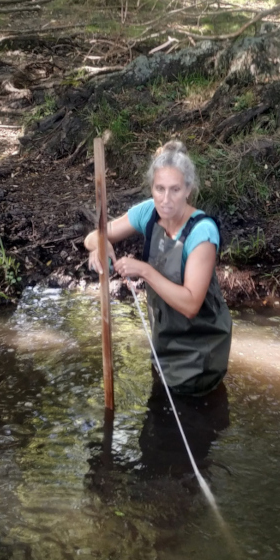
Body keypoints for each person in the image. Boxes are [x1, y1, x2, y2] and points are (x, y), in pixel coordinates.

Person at [84, 139, 232, 396]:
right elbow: (93, 235)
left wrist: (143, 270)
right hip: (164, 344)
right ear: (151, 188)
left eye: (175, 190)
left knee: (190, 417)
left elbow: (190, 304)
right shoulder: (148, 212)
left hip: (200, 354)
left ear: (188, 189)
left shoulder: (202, 233)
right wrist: (100, 245)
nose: (166, 200)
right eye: (159, 188)